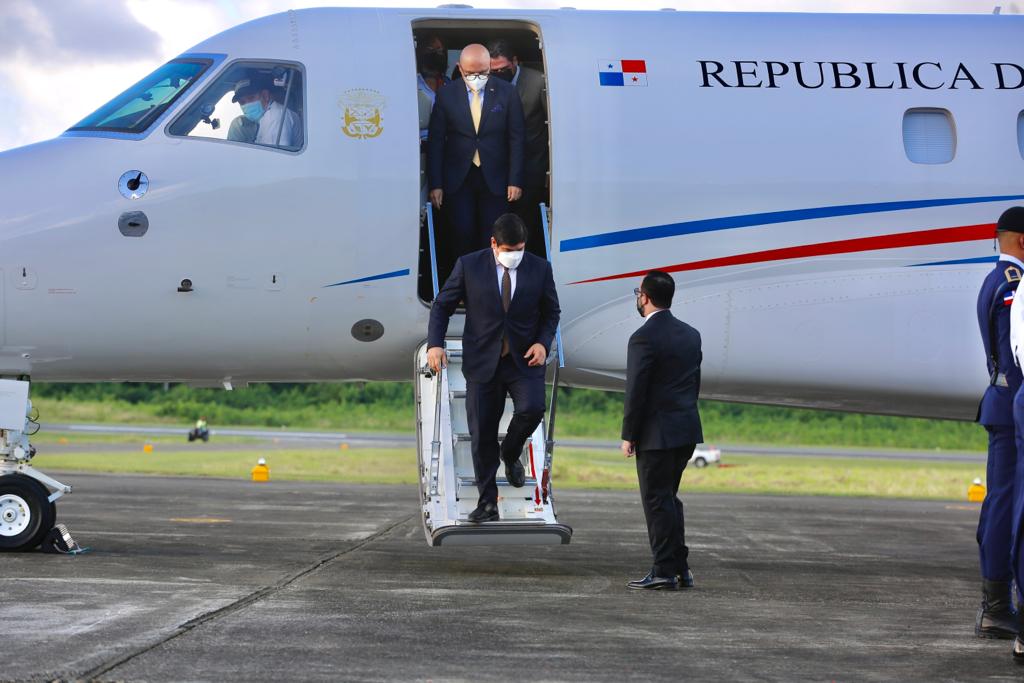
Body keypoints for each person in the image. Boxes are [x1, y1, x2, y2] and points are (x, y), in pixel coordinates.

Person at [426, 214, 559, 523]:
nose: (516, 254)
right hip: (483, 360)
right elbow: (442, 305)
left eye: (521, 248)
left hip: (523, 359)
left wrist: (542, 342)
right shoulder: (469, 265)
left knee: (532, 409)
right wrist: (435, 343)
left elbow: (551, 311)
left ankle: (510, 453)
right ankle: (488, 504)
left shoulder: (539, 268)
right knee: (481, 433)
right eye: (510, 248)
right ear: (494, 244)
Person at [621, 270, 703, 591]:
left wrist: (629, 434)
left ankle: (664, 570)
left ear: (646, 297)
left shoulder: (642, 337)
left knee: (656, 501)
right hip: (685, 430)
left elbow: (636, 391)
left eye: (639, 293)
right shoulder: (691, 334)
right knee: (669, 499)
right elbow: (693, 384)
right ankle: (680, 568)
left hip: (656, 434)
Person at [427, 44, 526, 272]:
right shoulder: (446, 95)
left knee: (492, 234)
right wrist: (436, 184)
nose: (477, 78)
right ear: (460, 69)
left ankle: (490, 283)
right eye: (471, 73)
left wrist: (515, 179)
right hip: (458, 177)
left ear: (489, 67)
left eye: (483, 72)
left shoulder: (507, 93)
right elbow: (436, 141)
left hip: (496, 178)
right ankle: (463, 284)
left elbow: (517, 139)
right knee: (461, 232)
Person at [977, 207, 1024, 642]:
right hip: (1013, 407)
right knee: (1008, 505)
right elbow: (1013, 354)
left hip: (1001, 401)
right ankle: (996, 607)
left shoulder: (995, 280)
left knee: (1001, 501)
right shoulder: (1013, 286)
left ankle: (996, 604)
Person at [488, 40, 549, 255]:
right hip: (497, 168)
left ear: (515, 61)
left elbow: (550, 123)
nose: (499, 73)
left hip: (531, 166)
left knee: (526, 224)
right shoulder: (487, 83)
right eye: (493, 70)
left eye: (504, 69)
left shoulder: (537, 82)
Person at [417, 35, 449, 204]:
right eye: (432, 50)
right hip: (420, 151)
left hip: (446, 150)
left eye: (440, 51)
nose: (437, 54)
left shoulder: (448, 84)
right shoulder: (413, 84)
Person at [230, 77, 301, 148]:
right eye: (242, 102)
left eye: (251, 98)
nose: (247, 104)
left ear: (265, 95)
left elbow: (273, 157)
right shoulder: (265, 116)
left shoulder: (275, 117)